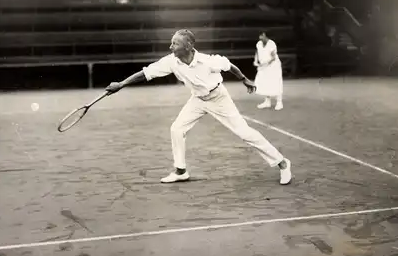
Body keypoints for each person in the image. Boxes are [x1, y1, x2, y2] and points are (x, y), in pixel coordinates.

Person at [105, 29, 292, 185]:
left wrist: (244, 79)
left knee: (244, 133)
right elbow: (146, 73)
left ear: (188, 46)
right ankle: (180, 171)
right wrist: (121, 84)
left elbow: (229, 66)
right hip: (197, 99)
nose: (170, 47)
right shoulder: (171, 61)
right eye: (171, 43)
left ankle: (282, 163)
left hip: (219, 98)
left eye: (175, 44)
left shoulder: (208, 61)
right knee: (177, 129)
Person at [254, 31, 284, 111]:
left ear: (265, 36)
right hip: (264, 66)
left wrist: (264, 64)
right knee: (265, 83)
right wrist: (255, 61)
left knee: (275, 82)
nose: (260, 38)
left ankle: (279, 102)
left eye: (262, 36)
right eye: (260, 36)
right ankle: (267, 102)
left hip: (274, 66)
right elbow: (257, 53)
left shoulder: (272, 44)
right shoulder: (259, 44)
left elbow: (273, 58)